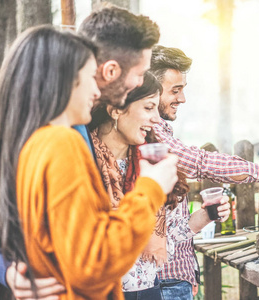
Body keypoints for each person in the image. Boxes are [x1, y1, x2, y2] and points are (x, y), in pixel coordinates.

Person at [0, 5, 162, 299]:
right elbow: (88, 260)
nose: (142, 83)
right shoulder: (14, 124)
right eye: (140, 73)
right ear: (109, 70)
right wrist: (4, 269)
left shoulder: (88, 118)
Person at [149, 45, 259, 299]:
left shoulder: (159, 131)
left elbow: (174, 225)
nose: (182, 99)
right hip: (164, 280)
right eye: (175, 90)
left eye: (183, 89)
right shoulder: (152, 138)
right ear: (150, 90)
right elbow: (202, 162)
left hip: (174, 274)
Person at [89, 72, 230, 300]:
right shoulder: (82, 162)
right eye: (148, 108)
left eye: (157, 108)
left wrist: (206, 215)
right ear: (116, 109)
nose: (157, 119)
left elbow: (169, 235)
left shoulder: (154, 162)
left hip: (148, 290)